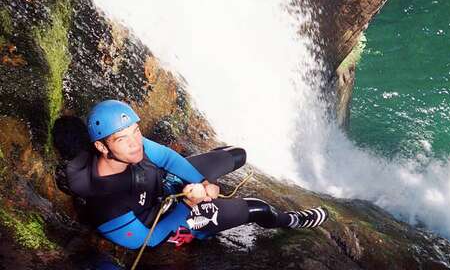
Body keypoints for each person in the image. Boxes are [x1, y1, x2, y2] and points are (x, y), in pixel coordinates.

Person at [56, 100, 327, 250]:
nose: (135, 142)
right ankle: (288, 220)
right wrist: (189, 204)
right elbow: (145, 240)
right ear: (103, 147)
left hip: (166, 185)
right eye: (122, 139)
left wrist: (200, 182)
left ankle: (198, 183)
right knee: (258, 208)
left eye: (136, 131)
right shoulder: (107, 201)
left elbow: (166, 157)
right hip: (164, 219)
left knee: (237, 154)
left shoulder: (131, 147)